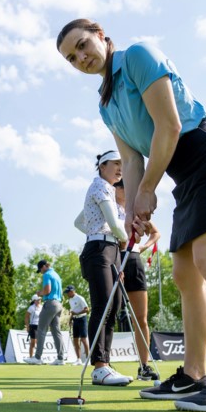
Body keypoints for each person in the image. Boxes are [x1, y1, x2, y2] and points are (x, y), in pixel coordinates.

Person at [57, 19, 206, 412]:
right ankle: (193, 375)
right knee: (185, 274)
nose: (81, 58)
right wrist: (132, 212)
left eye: (84, 46)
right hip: (185, 175)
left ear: (102, 36)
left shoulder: (138, 56)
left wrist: (149, 191)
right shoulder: (106, 104)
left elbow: (169, 126)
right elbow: (131, 160)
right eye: (72, 58)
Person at [73, 151, 136, 385]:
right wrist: (119, 235)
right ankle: (99, 366)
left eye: (122, 164)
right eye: (116, 164)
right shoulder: (99, 185)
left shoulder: (107, 190)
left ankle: (105, 364)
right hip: (98, 251)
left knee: (115, 304)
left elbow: (79, 222)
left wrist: (110, 235)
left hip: (111, 252)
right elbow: (112, 222)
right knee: (103, 304)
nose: (121, 168)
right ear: (102, 166)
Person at [113, 178, 161, 381]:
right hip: (114, 258)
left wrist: (142, 247)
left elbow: (156, 233)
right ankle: (103, 364)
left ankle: (144, 366)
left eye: (125, 184)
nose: (124, 188)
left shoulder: (135, 211)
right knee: (109, 314)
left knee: (140, 318)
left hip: (133, 260)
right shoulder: (109, 207)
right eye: (120, 185)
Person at [31, 260, 65, 365]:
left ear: (43, 267)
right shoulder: (56, 275)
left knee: (41, 329)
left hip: (50, 303)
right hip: (58, 304)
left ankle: (37, 358)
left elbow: (47, 291)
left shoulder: (46, 274)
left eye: (40, 270)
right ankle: (60, 358)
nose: (41, 272)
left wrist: (39, 293)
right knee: (56, 331)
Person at [64, 285, 89, 362]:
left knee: (83, 339)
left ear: (72, 291)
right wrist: (70, 319)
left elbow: (87, 309)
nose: (67, 294)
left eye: (68, 292)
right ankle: (78, 359)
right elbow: (73, 311)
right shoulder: (70, 300)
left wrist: (77, 313)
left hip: (82, 319)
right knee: (75, 340)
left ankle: (88, 359)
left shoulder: (80, 298)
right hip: (75, 320)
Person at [24, 295, 42, 362]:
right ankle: (31, 357)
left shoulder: (41, 307)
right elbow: (26, 317)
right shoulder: (31, 308)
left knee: (39, 343)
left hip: (40, 326)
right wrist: (27, 326)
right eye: (37, 300)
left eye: (40, 299)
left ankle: (38, 358)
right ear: (34, 301)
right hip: (33, 326)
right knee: (33, 343)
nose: (39, 301)